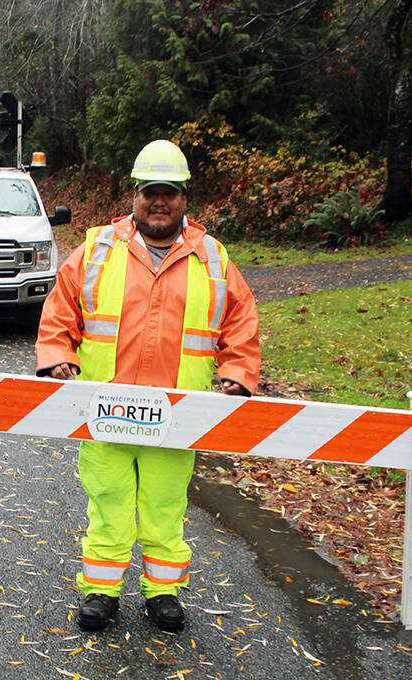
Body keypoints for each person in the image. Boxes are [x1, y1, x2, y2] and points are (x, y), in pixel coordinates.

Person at [35, 139, 260, 633]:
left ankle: (162, 593)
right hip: (105, 412)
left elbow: (240, 322)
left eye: (170, 193)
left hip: (177, 417)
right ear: (134, 195)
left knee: (163, 506)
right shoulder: (97, 249)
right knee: (109, 503)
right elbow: (59, 312)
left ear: (185, 200)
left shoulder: (212, 259)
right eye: (150, 192)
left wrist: (238, 375)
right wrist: (57, 359)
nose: (159, 202)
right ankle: (101, 591)